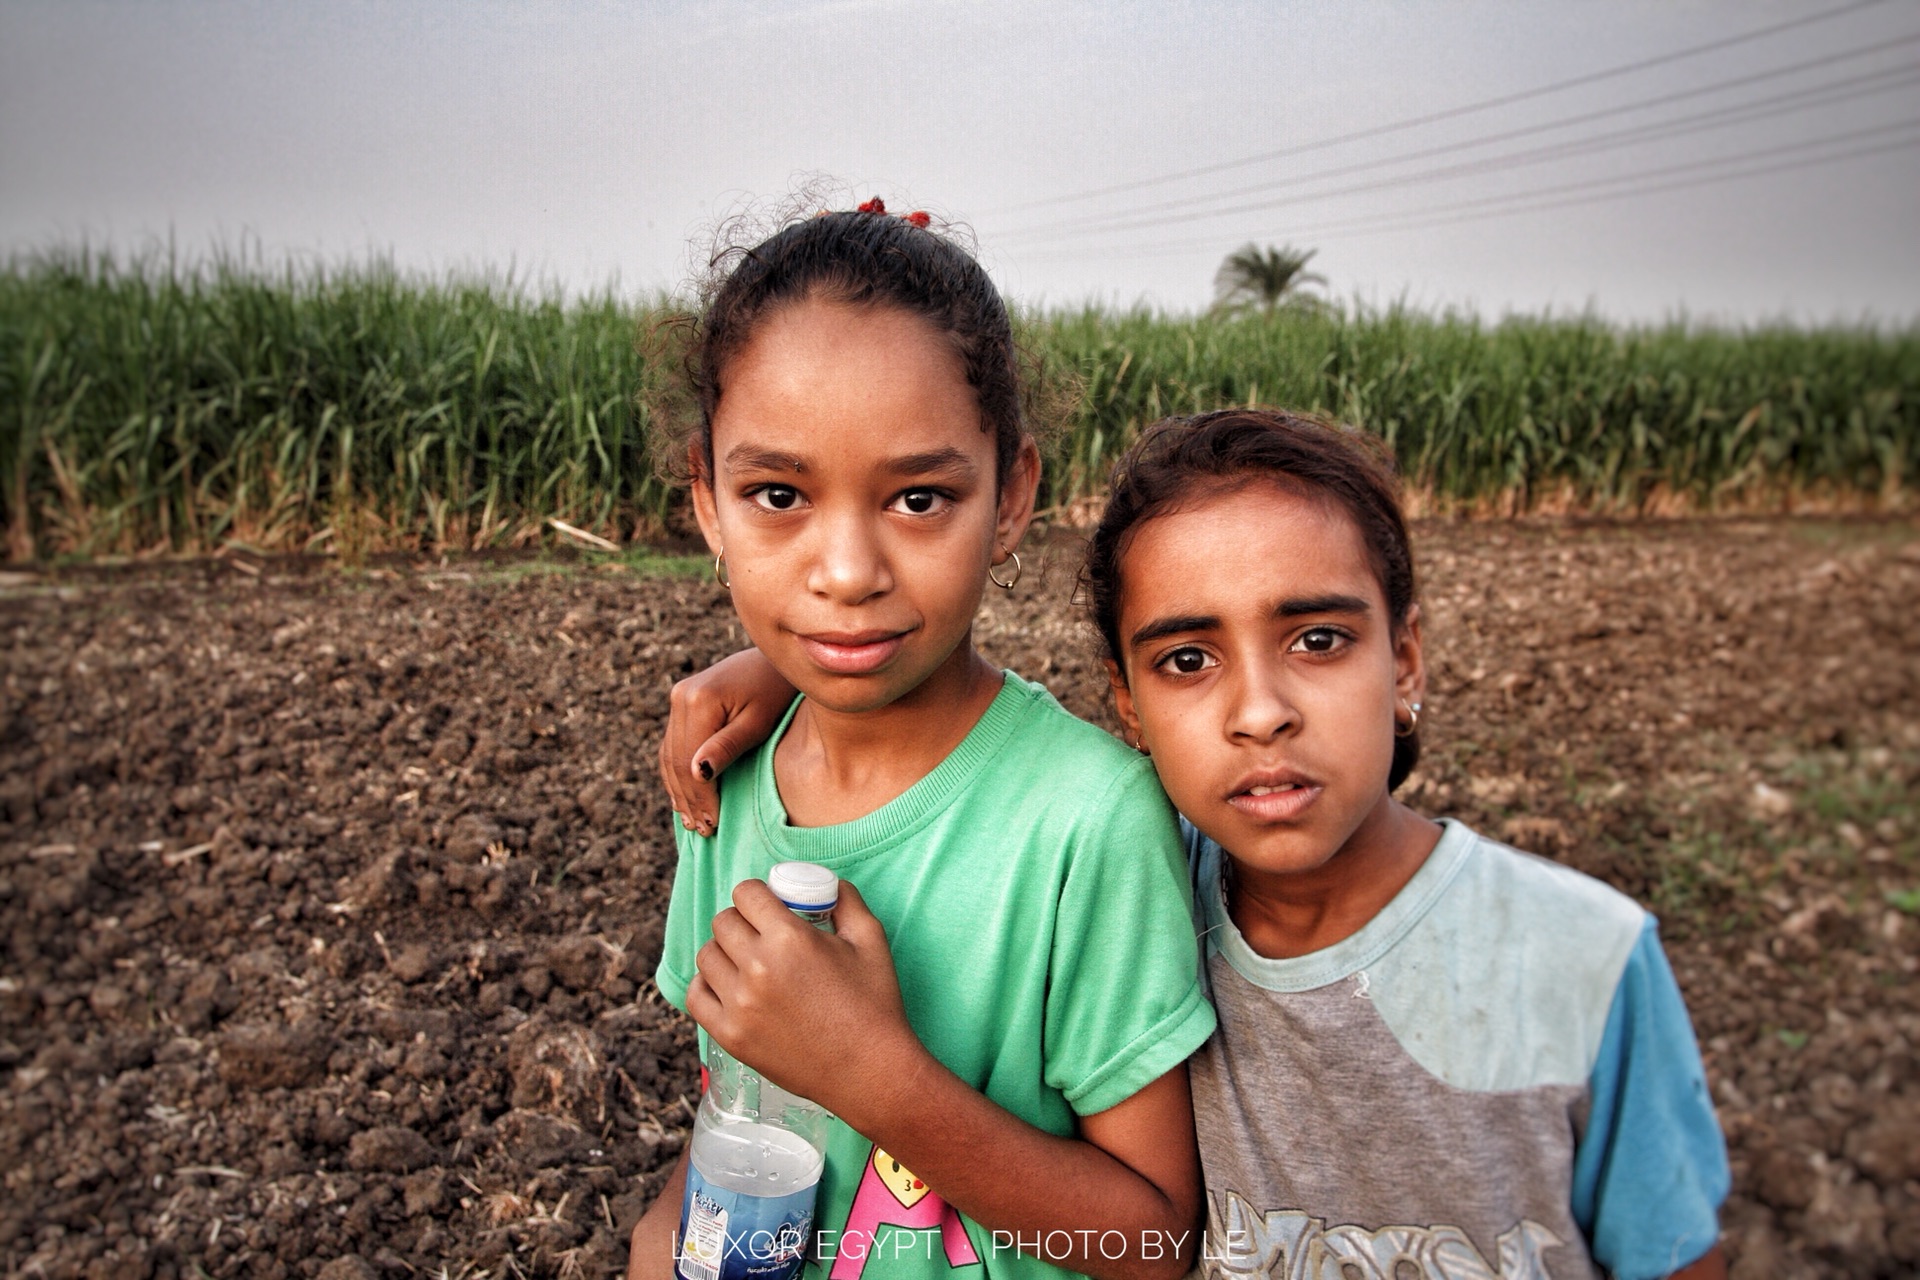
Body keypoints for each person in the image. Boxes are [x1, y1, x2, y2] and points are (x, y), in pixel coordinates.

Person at [662, 407, 1732, 1280]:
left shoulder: (1581, 961)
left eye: (1319, 639)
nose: (1259, 711)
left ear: (1406, 657)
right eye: (1186, 660)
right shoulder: (1141, 873)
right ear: (1126, 706)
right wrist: (792, 669)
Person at [627, 201, 1217, 1280]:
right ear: (706, 501)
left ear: (1010, 498)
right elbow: (733, 1111)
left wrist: (871, 1073)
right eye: (777, 494)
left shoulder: (1084, 823)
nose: (847, 570)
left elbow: (1152, 1240)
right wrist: (660, 1241)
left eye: (916, 496)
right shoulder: (722, 779)